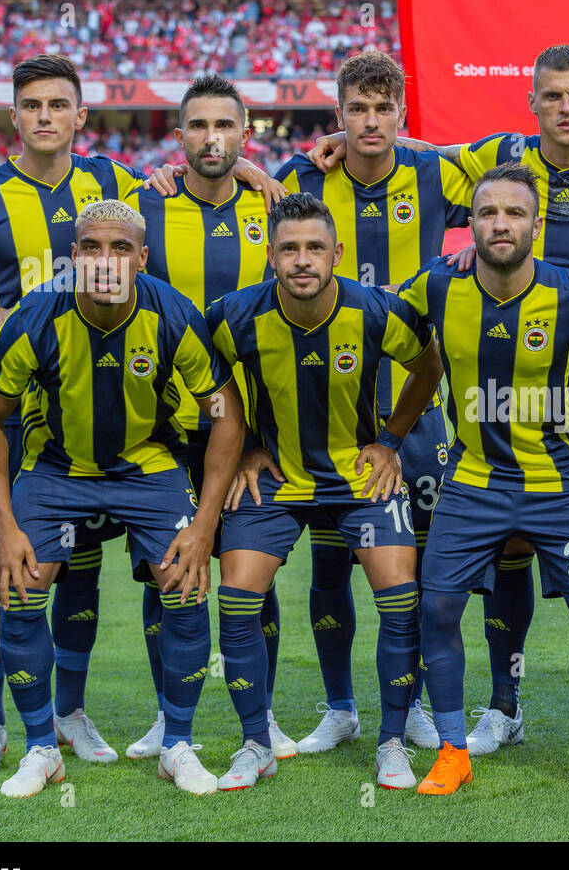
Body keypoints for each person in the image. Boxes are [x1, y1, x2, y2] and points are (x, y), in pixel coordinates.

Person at [0, 200, 244, 796]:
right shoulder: (38, 315)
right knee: (20, 589)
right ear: (75, 256)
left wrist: (203, 522)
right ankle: (43, 747)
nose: (104, 260)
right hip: (56, 471)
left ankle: (178, 743)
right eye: (91, 246)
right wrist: (5, 525)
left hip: (148, 468)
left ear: (142, 257)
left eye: (120, 248)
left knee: (186, 584)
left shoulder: (173, 313)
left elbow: (225, 414)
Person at [398, 163, 569, 796]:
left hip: (559, 482)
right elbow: (372, 330)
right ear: (471, 224)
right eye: (487, 213)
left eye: (514, 213)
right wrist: (383, 440)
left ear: (536, 226)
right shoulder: (436, 288)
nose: (501, 223)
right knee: (436, 606)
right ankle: (453, 750)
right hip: (472, 480)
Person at [0, 54, 149, 774]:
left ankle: (70, 710)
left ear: (80, 115)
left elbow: (185, 185)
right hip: (8, 408)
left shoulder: (112, 182)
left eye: (59, 104)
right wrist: (15, 319)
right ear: (15, 117)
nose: (46, 115)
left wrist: (248, 172)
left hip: (87, 408)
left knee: (78, 562)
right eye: (32, 105)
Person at [207, 192, 444, 790]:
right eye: (290, 248)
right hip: (279, 480)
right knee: (236, 599)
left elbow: (430, 366)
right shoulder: (231, 317)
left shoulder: (373, 310)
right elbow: (202, 382)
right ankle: (255, 743)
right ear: (270, 255)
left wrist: (390, 441)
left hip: (358, 479)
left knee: (399, 596)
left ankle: (392, 741)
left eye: (315, 247)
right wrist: (249, 445)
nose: (303, 260)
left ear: (337, 253)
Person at [272, 51, 474, 753]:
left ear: (401, 117)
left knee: (407, 564)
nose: (369, 121)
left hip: (414, 401)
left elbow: (523, 169)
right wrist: (241, 168)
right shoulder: (303, 178)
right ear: (339, 113)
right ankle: (339, 707)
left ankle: (407, 701)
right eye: (356, 108)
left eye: (383, 109)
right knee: (331, 562)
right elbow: (244, 192)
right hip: (329, 404)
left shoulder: (434, 172)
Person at [130, 73, 295, 762]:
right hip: (168, 432)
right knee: (163, 571)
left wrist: (257, 437)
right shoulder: (148, 209)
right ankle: (170, 719)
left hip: (251, 430)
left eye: (224, 126)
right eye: (197, 126)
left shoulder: (274, 207)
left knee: (250, 571)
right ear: (179, 136)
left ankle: (263, 718)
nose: (211, 138)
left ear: (245, 133)